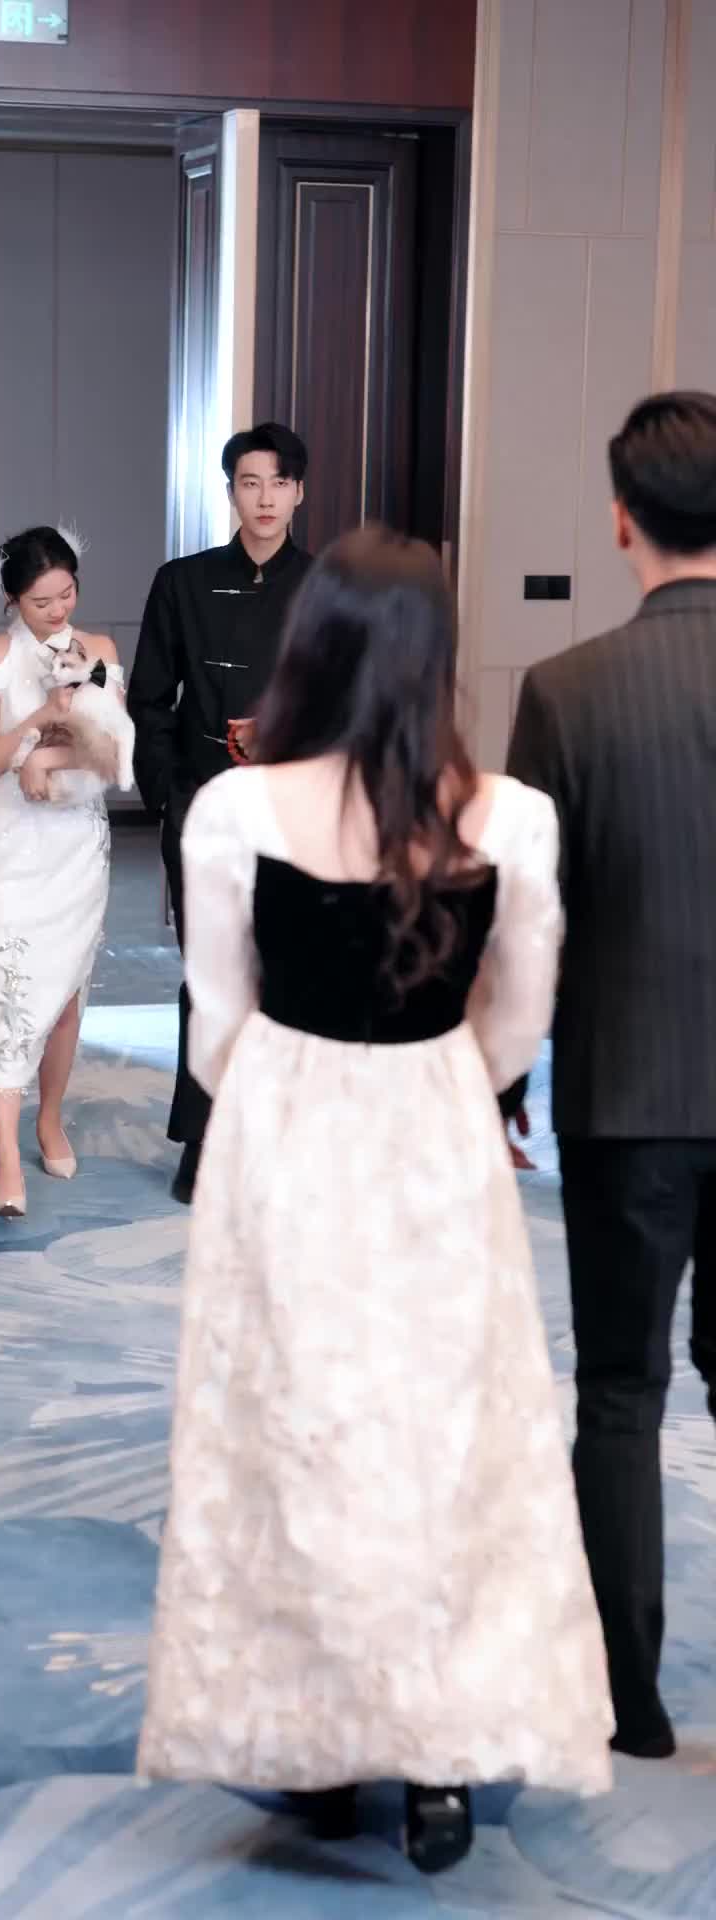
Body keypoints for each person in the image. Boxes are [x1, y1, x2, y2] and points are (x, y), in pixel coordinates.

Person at [138, 526, 613, 1873]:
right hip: (436, 1131)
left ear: (313, 648)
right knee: (442, 1433)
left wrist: (294, 1085)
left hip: (285, 1130)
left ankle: (321, 1739)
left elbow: (215, 1024)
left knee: (295, 1424)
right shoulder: (509, 818)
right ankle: (437, 1762)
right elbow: (518, 1020)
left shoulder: (237, 813)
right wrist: (443, 1080)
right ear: (434, 659)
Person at [506, 390, 716, 1761]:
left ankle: (627, 1703)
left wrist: (501, 1078)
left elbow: (528, 914)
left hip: (627, 1091)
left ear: (622, 518)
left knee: (623, 1392)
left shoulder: (568, 690)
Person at [128, 423, 313, 1204]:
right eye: (249, 482)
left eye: (279, 483)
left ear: (299, 492)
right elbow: (148, 699)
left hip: (299, 811)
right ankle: (202, 1140)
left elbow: (349, 697)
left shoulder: (329, 587)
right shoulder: (183, 582)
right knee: (210, 974)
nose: (264, 498)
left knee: (291, 976)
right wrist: (170, 794)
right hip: (204, 805)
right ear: (231, 490)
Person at [0, 526, 124, 1218]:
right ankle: (4, 1161)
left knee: (64, 1000)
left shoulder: (100, 651)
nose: (57, 611)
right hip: (15, 848)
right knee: (8, 991)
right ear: (12, 599)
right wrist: (38, 726)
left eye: (66, 594)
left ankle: (49, 1119)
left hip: (76, 843)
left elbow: (113, 751)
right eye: (41, 601)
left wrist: (49, 757)